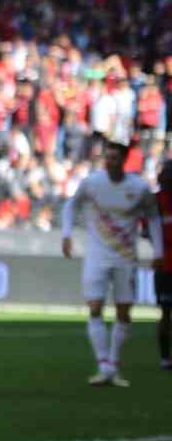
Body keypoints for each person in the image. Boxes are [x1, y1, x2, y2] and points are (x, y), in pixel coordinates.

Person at [61, 140, 158, 387]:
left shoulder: (139, 188)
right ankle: (104, 365)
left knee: (124, 311)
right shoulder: (92, 183)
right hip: (96, 255)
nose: (109, 161)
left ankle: (114, 364)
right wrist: (66, 234)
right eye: (107, 157)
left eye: (114, 157)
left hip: (126, 257)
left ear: (123, 160)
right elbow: (71, 205)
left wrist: (158, 250)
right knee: (95, 306)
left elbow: (153, 217)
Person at [155, 161, 172, 372]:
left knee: (166, 313)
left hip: (163, 263)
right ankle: (165, 358)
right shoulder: (155, 201)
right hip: (164, 265)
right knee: (165, 312)